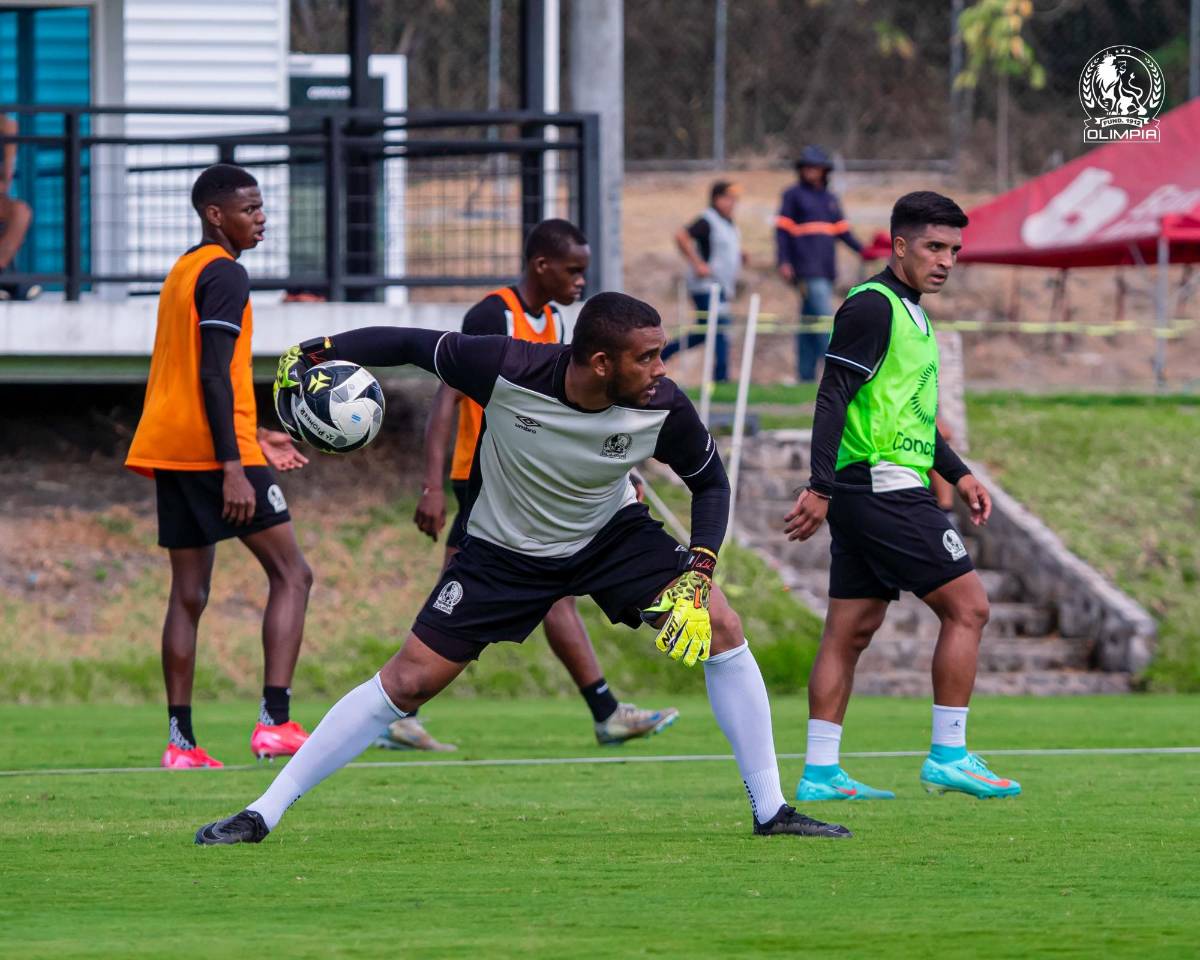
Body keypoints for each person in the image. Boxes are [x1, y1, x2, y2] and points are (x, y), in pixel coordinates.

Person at [194, 292, 853, 844]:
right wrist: (321, 347)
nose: (661, 367)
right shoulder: (506, 366)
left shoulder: (663, 405)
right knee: (408, 680)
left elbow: (710, 483)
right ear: (601, 363)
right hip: (502, 552)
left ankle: (772, 810)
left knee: (722, 626)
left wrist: (699, 569)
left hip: (609, 537)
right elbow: (409, 344)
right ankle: (261, 813)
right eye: (647, 356)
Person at [397, 219, 677, 752]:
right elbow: (447, 396)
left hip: (534, 480)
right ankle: (400, 705)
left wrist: (626, 470)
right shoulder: (492, 314)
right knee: (482, 594)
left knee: (536, 593)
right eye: (572, 270)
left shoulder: (555, 320)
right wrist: (432, 485)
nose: (580, 281)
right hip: (485, 478)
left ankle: (403, 707)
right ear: (541, 265)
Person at [784, 191, 1020, 802]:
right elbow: (832, 396)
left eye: (954, 250)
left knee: (850, 629)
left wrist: (960, 474)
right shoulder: (872, 306)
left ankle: (819, 772)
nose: (946, 261)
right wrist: (819, 485)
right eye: (934, 247)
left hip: (875, 485)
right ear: (899, 245)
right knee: (969, 608)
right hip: (882, 487)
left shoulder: (913, 315)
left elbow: (910, 417)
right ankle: (949, 755)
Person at [125, 164, 314, 769]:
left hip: (173, 448)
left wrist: (255, 432)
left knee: (189, 594)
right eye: (250, 209)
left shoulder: (184, 269)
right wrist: (235, 463)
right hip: (214, 453)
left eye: (261, 208)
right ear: (216, 215)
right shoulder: (227, 273)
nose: (261, 218)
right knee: (293, 574)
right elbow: (212, 373)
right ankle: (275, 723)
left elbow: (195, 375)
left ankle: (180, 744)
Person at [775, 146, 863, 382]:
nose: (810, 171)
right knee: (825, 321)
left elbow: (844, 233)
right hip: (806, 270)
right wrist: (783, 261)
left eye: (815, 167)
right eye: (807, 166)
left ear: (824, 170)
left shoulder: (830, 199)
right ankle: (839, 375)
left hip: (826, 270)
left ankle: (805, 377)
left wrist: (864, 250)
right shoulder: (792, 195)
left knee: (808, 324)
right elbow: (782, 232)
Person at [663, 180, 745, 382]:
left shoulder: (729, 223)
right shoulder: (707, 220)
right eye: (728, 198)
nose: (732, 202)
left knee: (704, 333)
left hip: (722, 287)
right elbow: (681, 236)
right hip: (706, 287)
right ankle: (722, 377)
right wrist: (697, 263)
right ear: (717, 199)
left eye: (734, 199)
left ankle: (664, 353)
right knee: (719, 329)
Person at [0, 114, 38, 301]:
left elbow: (5, 179)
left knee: (21, 213)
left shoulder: (6, 126)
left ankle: (4, 274)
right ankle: (10, 284)